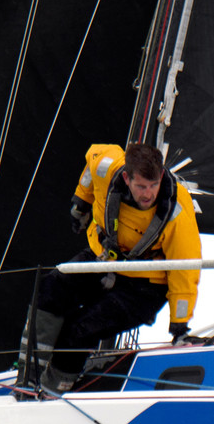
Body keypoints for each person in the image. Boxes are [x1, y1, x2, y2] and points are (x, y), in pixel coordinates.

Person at [22, 141, 201, 391]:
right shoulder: (107, 165)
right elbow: (91, 162)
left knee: (82, 330)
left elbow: (185, 268)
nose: (148, 194)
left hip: (145, 286)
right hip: (104, 259)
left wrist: (179, 326)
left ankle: (54, 388)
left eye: (153, 185)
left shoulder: (177, 209)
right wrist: (81, 202)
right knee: (51, 288)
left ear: (161, 176)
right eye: (141, 186)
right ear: (127, 178)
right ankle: (27, 376)